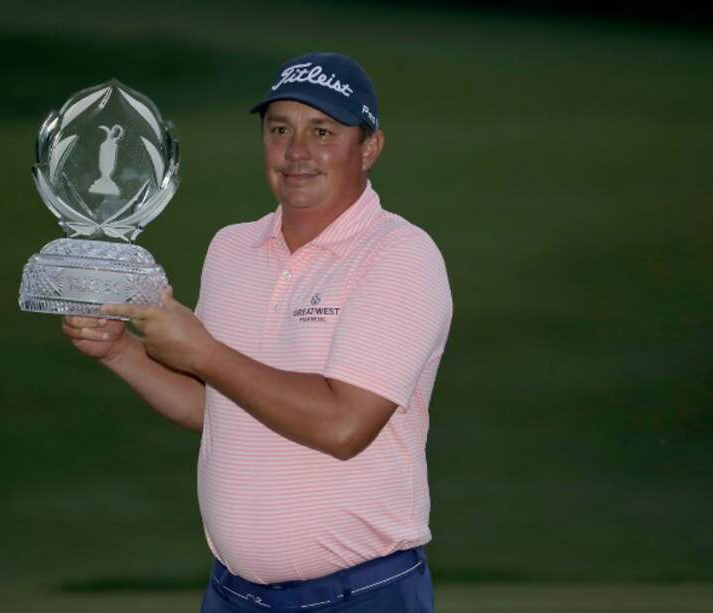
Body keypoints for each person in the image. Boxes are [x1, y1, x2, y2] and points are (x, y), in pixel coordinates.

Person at [62, 52, 452, 612]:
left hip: (364, 595)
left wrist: (203, 351)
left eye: (323, 131)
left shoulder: (399, 256)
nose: (297, 152)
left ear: (368, 148)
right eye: (279, 130)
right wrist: (121, 353)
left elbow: (345, 424)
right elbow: (217, 406)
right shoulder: (230, 250)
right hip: (232, 595)